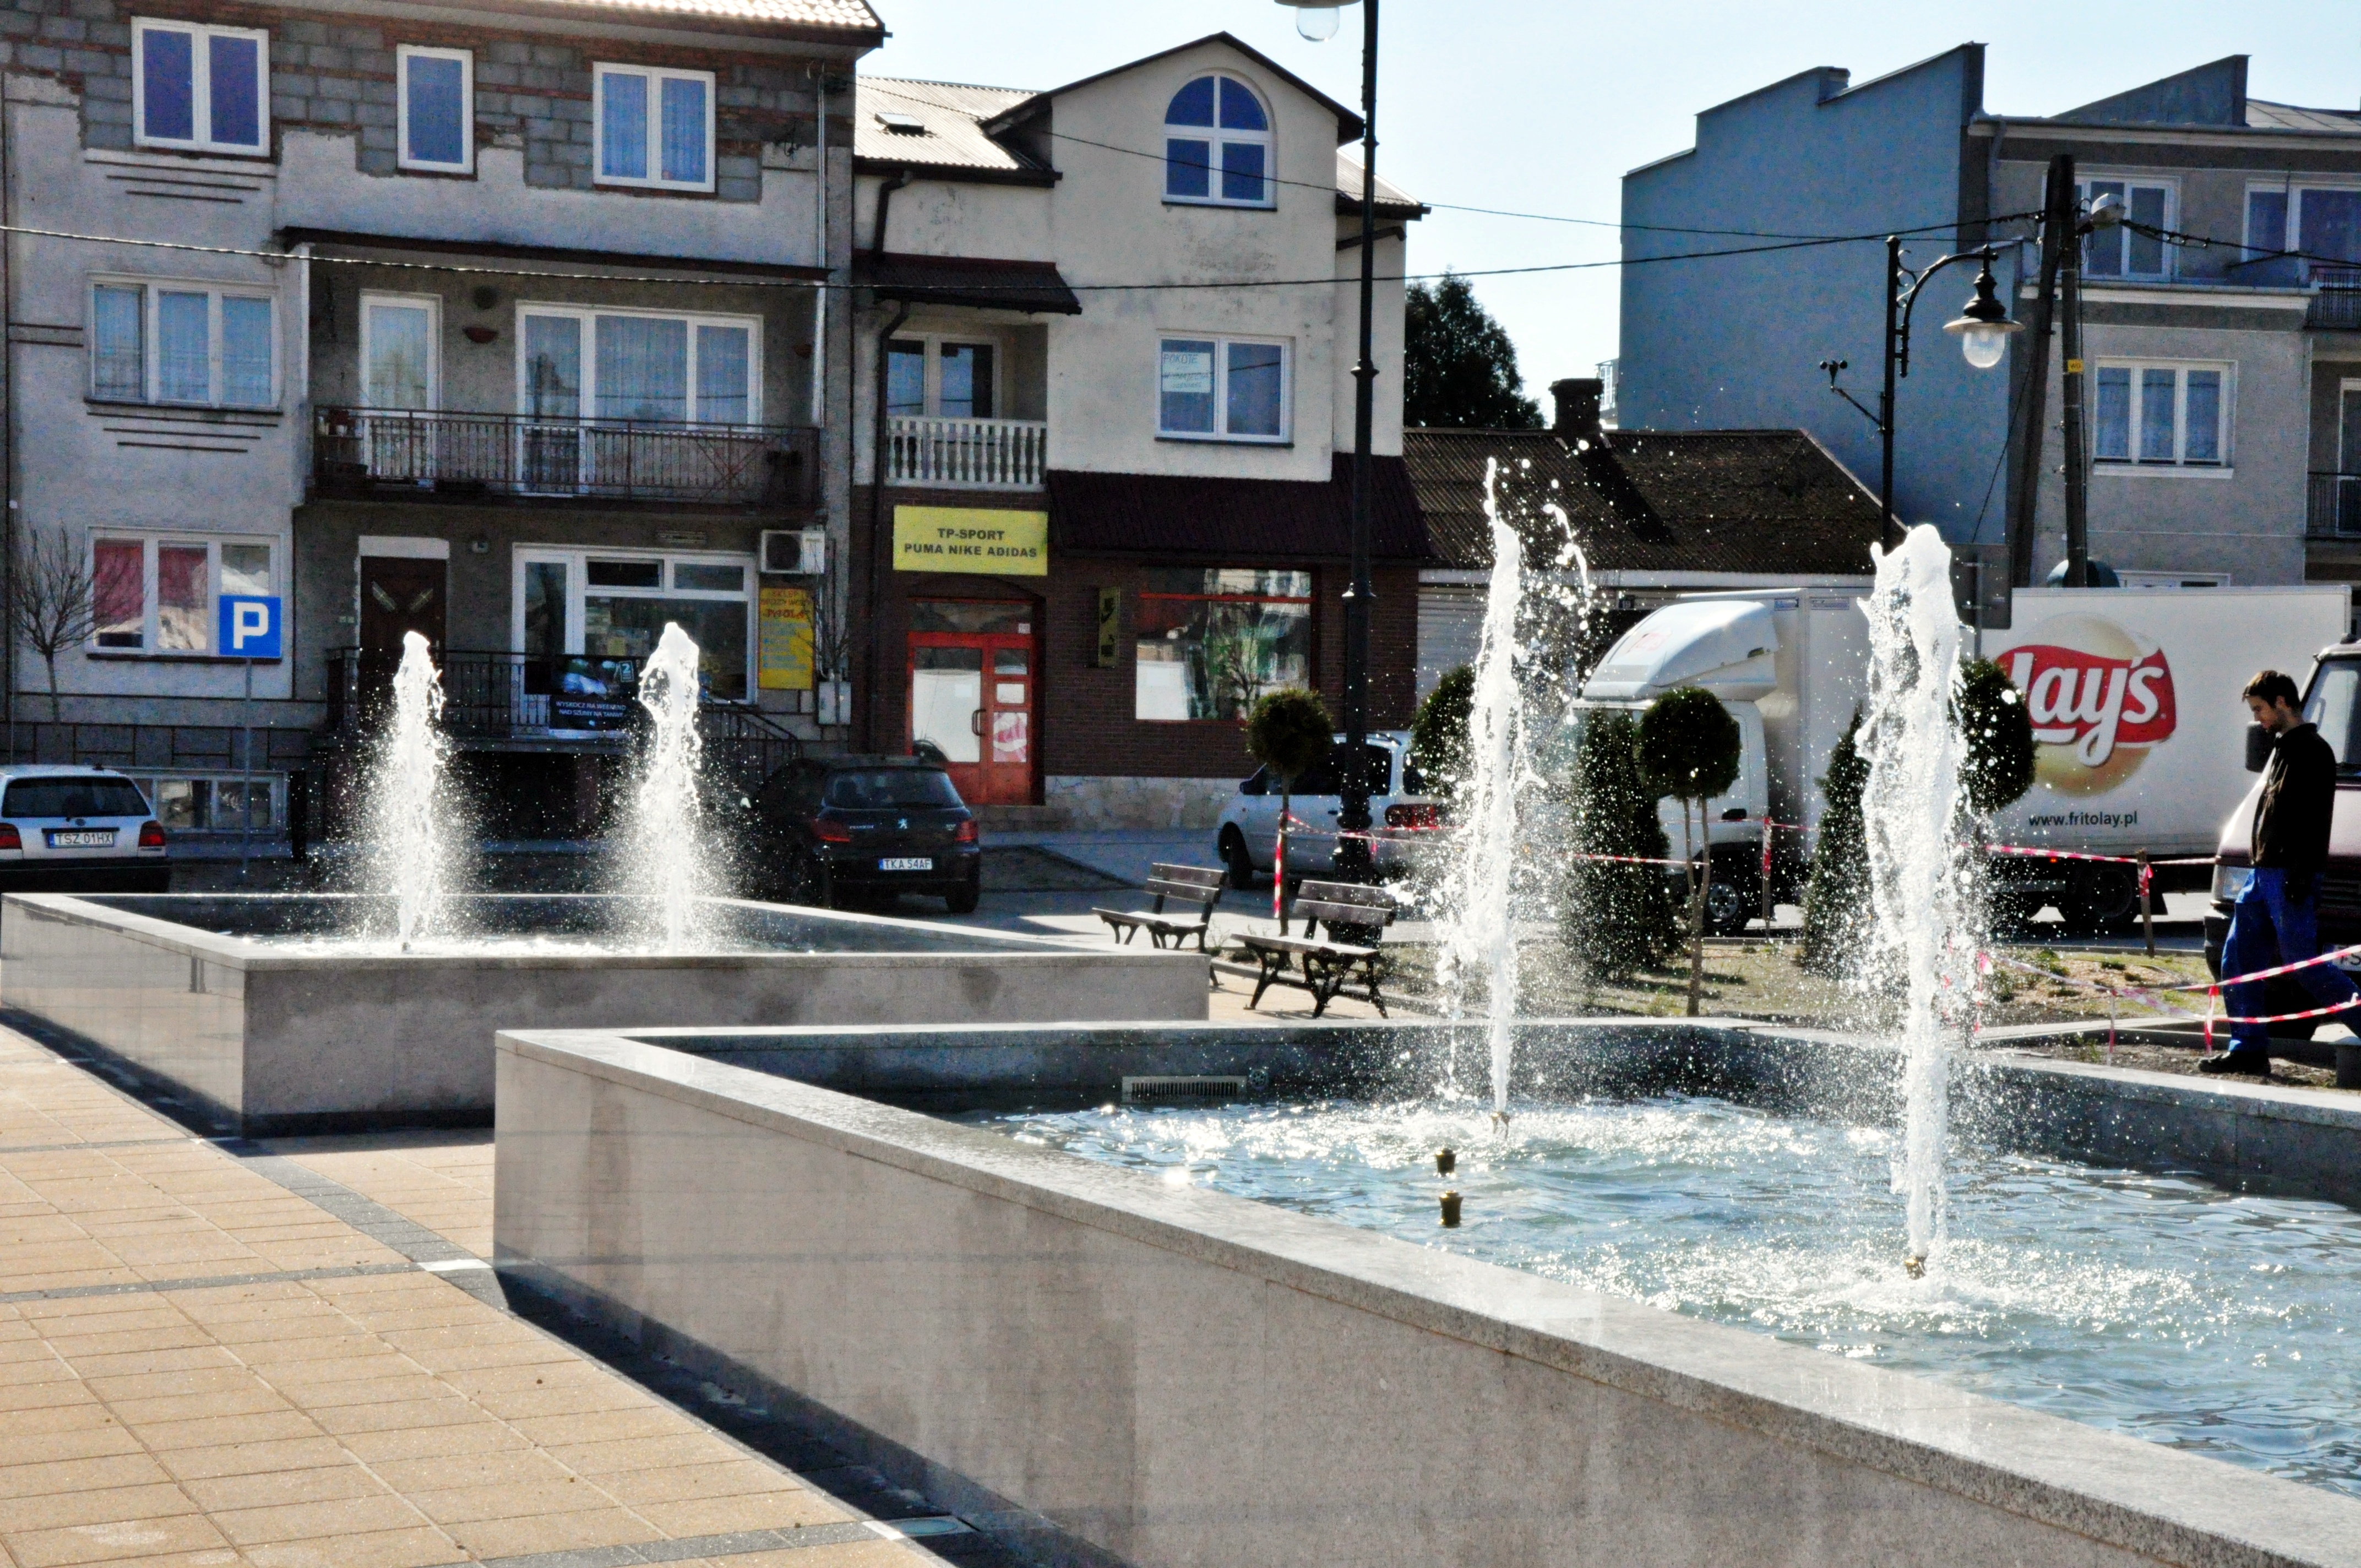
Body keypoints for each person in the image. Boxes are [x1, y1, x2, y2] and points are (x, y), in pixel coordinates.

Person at [2207, 669, 2357, 1076]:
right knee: (2237, 961)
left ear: (2282, 702)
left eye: (2260, 709)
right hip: (2262, 874)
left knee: (2303, 965)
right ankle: (2248, 1049)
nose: (2257, 718)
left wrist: (2300, 875)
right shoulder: (2282, 748)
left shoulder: (2313, 751)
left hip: (2290, 875)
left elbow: (2313, 822)